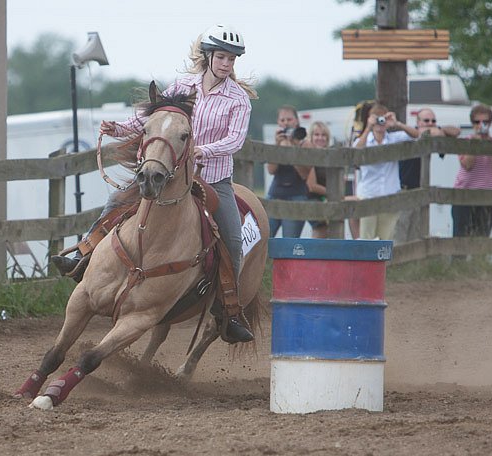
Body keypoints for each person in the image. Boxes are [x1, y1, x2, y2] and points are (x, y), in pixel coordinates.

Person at [52, 24, 255, 344]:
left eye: (232, 59)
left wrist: (202, 149)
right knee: (117, 201)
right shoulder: (184, 86)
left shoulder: (238, 99)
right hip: (172, 175)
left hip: (214, 179)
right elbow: (155, 119)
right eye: (221, 57)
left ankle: (228, 310)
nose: (227, 64)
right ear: (208, 56)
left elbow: (235, 140)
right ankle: (84, 254)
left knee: (231, 238)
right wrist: (119, 128)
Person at [352, 102, 419, 240]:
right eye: (376, 118)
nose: (380, 122)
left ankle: (384, 263)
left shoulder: (394, 138)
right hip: (368, 195)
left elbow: (416, 135)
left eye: (382, 119)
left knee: (386, 239)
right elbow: (356, 152)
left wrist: (397, 123)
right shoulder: (364, 140)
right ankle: (366, 262)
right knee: (366, 238)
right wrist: (368, 127)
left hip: (390, 195)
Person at [452, 103, 492, 237]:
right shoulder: (466, 142)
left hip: (487, 197)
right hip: (464, 196)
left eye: (485, 122)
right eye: (477, 122)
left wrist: (489, 146)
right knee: (460, 239)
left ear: (491, 123)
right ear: (472, 123)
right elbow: (467, 165)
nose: (481, 125)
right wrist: (475, 145)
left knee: (482, 238)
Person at [266, 105, 311, 238]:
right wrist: (278, 146)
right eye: (282, 120)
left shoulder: (305, 143)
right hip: (274, 195)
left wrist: (292, 148)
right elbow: (271, 170)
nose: (286, 123)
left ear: (296, 121)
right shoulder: (278, 142)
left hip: (296, 196)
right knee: (263, 239)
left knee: (289, 243)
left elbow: (305, 174)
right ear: (278, 123)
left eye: (289, 119)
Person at [398, 107, 461, 190]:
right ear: (418, 122)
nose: (430, 123)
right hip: (403, 186)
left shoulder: (435, 134)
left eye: (433, 121)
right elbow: (419, 133)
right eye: (426, 120)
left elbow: (456, 131)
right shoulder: (410, 133)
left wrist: (439, 129)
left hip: (421, 187)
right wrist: (437, 131)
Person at [303, 121, 331, 238]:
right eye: (316, 135)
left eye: (323, 135)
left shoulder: (329, 156)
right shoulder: (309, 155)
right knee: (320, 226)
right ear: (311, 137)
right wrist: (332, 193)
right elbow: (312, 185)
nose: (320, 138)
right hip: (310, 198)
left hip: (324, 198)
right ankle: (315, 255)